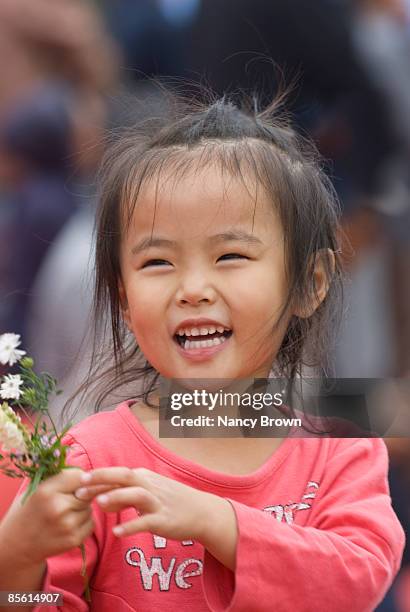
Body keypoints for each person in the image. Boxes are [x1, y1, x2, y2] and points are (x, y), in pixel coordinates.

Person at [0, 93, 405, 611]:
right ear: (124, 299)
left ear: (310, 281)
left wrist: (218, 522)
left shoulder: (337, 442)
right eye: (157, 263)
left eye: (230, 255)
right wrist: (15, 556)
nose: (192, 287)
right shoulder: (94, 462)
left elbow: (360, 578)